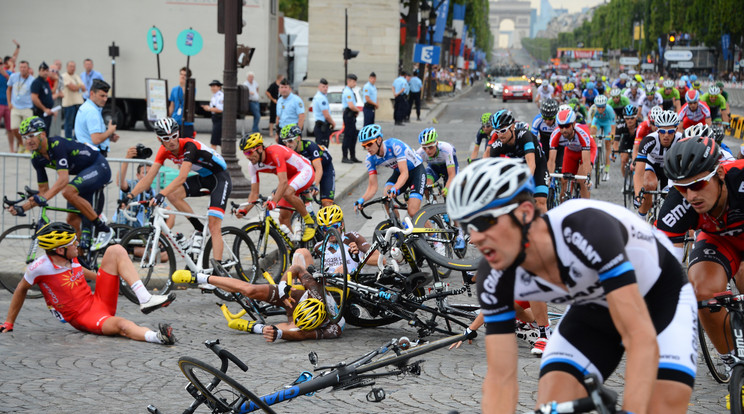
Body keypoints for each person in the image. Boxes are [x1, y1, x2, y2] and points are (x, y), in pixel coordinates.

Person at [450, 158, 695, 414]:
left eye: (484, 222)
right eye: (467, 226)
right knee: (553, 405)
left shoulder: (584, 228)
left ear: (523, 212)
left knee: (662, 404)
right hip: (593, 308)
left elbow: (639, 335)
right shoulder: (493, 275)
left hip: (659, 298)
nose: (475, 237)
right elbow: (500, 376)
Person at [0, 222, 176, 345]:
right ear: (60, 250)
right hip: (84, 317)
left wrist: (108, 278)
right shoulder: (39, 268)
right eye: (72, 243)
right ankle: (157, 337)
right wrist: (9, 322)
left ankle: (145, 298)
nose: (77, 244)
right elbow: (21, 289)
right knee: (121, 325)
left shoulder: (70, 256)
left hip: (97, 300)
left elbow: (78, 271)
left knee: (115, 250)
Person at [655, 137, 744, 379]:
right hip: (720, 241)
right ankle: (734, 362)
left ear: (721, 173)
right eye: (682, 187)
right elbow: (665, 268)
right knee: (702, 292)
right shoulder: (676, 206)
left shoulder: (741, 178)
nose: (691, 195)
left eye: (699, 183)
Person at [125, 118, 232, 268]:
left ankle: (219, 269)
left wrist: (160, 193)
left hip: (220, 179)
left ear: (178, 133)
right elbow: (148, 179)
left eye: (174, 136)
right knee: (173, 195)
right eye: (166, 138)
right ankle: (199, 228)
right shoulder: (164, 151)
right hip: (204, 177)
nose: (172, 141)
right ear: (159, 139)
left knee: (214, 226)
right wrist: (129, 196)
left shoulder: (189, 145)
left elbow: (182, 177)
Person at [173, 256, 342, 342]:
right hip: (293, 297)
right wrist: (283, 287)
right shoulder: (316, 290)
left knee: (283, 329)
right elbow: (296, 268)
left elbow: (301, 336)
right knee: (250, 289)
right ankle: (201, 278)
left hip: (305, 322)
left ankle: (255, 327)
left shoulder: (332, 330)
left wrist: (279, 333)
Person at [9, 116, 114, 251]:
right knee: (71, 219)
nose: (28, 141)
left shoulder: (57, 145)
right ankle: (81, 261)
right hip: (83, 174)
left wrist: (44, 198)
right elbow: (43, 191)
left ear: (43, 134)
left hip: (98, 166)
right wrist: (22, 208)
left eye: (31, 136)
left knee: (68, 191)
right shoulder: (36, 158)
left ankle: (103, 229)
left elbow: (63, 179)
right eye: (25, 137)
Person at [236, 132, 317, 242]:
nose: (248, 156)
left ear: (259, 148)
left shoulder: (275, 153)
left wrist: (274, 201)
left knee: (287, 193)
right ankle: (292, 249)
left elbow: (283, 182)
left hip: (304, 171)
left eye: (250, 152)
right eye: (245, 153)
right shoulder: (253, 166)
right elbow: (254, 193)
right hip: (290, 178)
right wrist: (244, 211)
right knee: (283, 219)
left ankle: (309, 222)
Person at [355, 124, 426, 219]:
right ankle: (397, 227)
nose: (367, 148)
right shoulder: (370, 159)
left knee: (413, 211)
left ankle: (432, 234)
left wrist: (395, 188)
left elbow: (405, 174)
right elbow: (373, 186)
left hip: (416, 171)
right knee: (386, 197)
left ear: (379, 140)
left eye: (369, 144)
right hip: (399, 173)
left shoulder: (394, 145)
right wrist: (362, 199)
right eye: (364, 146)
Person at [487, 110, 550, 215]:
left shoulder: (525, 136)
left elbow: (531, 164)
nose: (499, 135)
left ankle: (546, 229)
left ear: (512, 127)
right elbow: (493, 172)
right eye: (496, 131)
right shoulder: (497, 146)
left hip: (538, 166)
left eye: (502, 131)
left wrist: (525, 185)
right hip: (518, 170)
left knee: (540, 202)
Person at [633, 110, 683, 219]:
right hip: (652, 167)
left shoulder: (682, 140)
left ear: (676, 130)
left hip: (670, 170)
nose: (666, 135)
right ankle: (642, 219)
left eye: (670, 132)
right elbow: (638, 173)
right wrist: (638, 195)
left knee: (672, 196)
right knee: (649, 185)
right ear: (657, 130)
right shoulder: (649, 140)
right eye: (662, 131)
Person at [115, 146, 175, 229]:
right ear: (138, 175)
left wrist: (162, 237)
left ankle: (160, 240)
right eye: (144, 173)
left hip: (141, 228)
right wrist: (127, 158)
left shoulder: (153, 191)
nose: (147, 176)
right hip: (124, 228)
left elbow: (170, 211)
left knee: (169, 214)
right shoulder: (132, 185)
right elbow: (120, 182)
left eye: (150, 173)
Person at [280, 124, 336, 207]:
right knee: (303, 198)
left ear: (298, 138)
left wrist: (315, 186)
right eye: (285, 142)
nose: (288, 144)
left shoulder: (310, 146)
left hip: (325, 169)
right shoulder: (289, 152)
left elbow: (319, 169)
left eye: (290, 141)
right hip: (309, 170)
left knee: (326, 203)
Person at [547, 108, 596, 199]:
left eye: (567, 126)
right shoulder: (555, 134)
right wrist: (549, 177)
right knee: (564, 181)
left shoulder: (582, 133)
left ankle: (585, 206)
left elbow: (585, 161)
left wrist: (587, 177)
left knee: (582, 180)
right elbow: (551, 160)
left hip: (586, 151)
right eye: (561, 126)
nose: (564, 129)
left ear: (573, 124)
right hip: (571, 151)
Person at [74, 79, 118, 156]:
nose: (105, 99)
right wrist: (110, 131)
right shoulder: (92, 111)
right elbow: (96, 139)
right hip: (93, 155)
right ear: (92, 93)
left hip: (85, 152)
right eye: (102, 96)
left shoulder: (86, 106)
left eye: (106, 96)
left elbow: (88, 134)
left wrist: (108, 136)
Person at [6, 60, 34, 153]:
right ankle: (21, 144)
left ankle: (27, 148)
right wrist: (9, 102)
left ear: (28, 68)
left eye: (24, 67)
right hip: (15, 107)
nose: (22, 69)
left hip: (27, 107)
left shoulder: (32, 80)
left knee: (28, 130)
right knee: (14, 128)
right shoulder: (13, 77)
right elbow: (9, 89)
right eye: (21, 67)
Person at [589, 95, 616, 181]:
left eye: (602, 107)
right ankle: (594, 153)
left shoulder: (609, 110)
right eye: (599, 107)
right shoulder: (592, 109)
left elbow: (613, 127)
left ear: (605, 105)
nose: (600, 109)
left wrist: (612, 137)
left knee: (608, 145)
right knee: (592, 133)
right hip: (597, 122)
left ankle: (607, 171)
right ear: (595, 106)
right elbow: (589, 125)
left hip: (607, 123)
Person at [0, 40, 20, 151]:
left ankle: (12, 149)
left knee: (11, 128)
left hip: (8, 104)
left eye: (1, 63)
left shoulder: (9, 74)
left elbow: (15, 84)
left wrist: (18, 47)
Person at [30, 62, 58, 133]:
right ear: (39, 71)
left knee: (46, 133)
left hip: (47, 113)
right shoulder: (37, 82)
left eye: (46, 71)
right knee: (41, 134)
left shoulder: (46, 82)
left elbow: (48, 96)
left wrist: (52, 110)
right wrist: (44, 109)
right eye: (43, 70)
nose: (45, 72)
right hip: (40, 113)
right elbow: (34, 98)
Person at [168, 67, 194, 139]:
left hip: (187, 122)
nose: (182, 76)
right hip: (175, 120)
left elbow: (187, 97)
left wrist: (183, 85)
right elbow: (172, 105)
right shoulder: (174, 89)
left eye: (185, 75)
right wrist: (168, 116)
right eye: (181, 74)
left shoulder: (192, 88)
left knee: (187, 143)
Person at [61, 60, 84, 139]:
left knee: (78, 123)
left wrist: (77, 86)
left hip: (78, 102)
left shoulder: (76, 76)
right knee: (69, 123)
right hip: (69, 103)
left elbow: (84, 88)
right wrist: (78, 86)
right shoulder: (64, 76)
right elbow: (72, 88)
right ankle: (68, 139)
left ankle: (77, 138)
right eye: (71, 66)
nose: (72, 68)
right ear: (67, 67)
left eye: (74, 66)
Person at [341, 74, 360, 163]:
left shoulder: (350, 91)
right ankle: (345, 157)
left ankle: (352, 156)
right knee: (348, 136)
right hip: (348, 114)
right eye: (353, 81)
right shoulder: (347, 91)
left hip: (351, 115)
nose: (355, 83)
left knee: (353, 136)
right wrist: (357, 110)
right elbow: (351, 106)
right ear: (349, 81)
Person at [311, 78, 335, 148]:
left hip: (321, 126)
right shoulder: (321, 98)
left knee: (320, 146)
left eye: (326, 87)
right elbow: (326, 115)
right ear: (319, 87)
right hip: (322, 127)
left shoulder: (320, 96)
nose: (325, 88)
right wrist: (333, 123)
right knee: (322, 148)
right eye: (323, 87)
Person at [201, 80, 224, 150]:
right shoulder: (215, 96)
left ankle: (212, 157)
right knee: (219, 141)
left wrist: (208, 108)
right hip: (215, 119)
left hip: (219, 118)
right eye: (212, 86)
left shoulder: (220, 96)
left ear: (219, 87)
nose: (212, 88)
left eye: (214, 86)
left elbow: (220, 109)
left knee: (214, 141)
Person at [265, 74, 283, 139]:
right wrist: (272, 99)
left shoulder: (281, 86)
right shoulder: (273, 85)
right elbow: (267, 92)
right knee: (272, 117)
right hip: (274, 103)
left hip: (280, 104)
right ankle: (271, 131)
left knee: (280, 117)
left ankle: (279, 131)